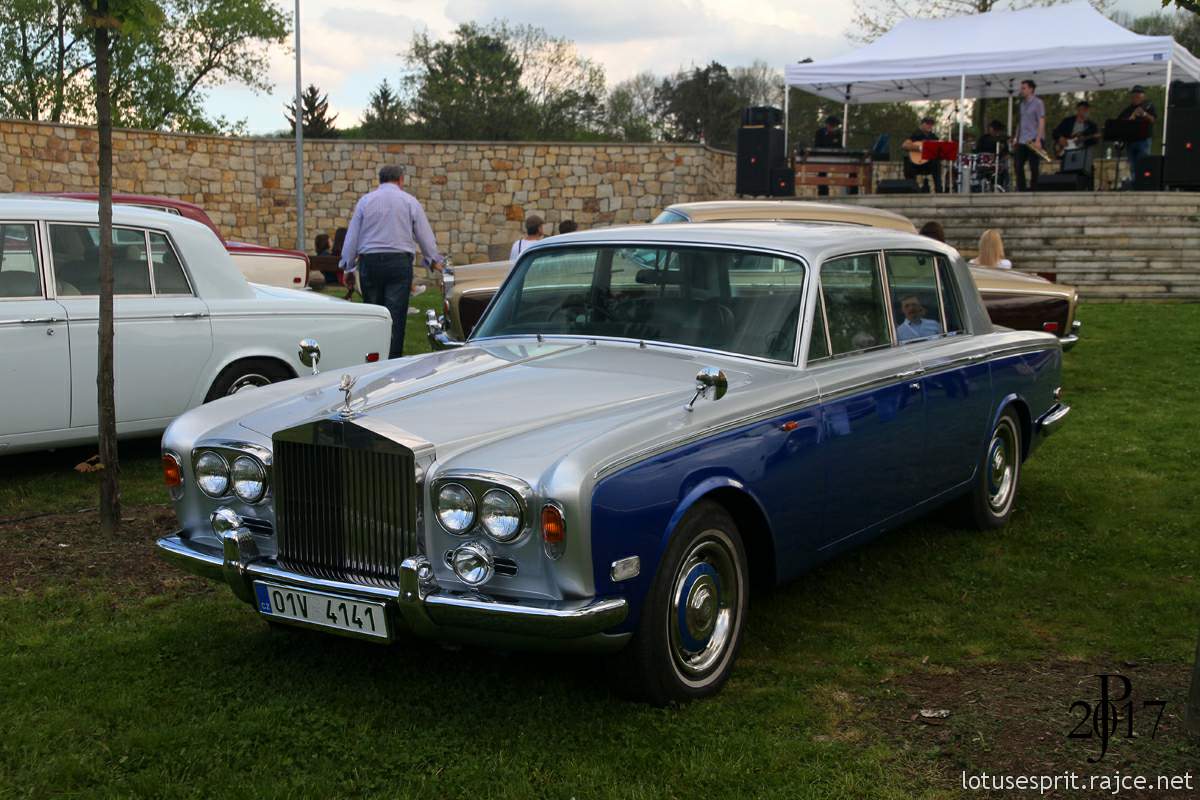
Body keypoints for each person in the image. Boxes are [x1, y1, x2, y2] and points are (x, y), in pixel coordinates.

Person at [339, 164, 444, 359]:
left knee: (374, 313)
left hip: (370, 262)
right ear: (401, 180)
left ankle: (373, 356)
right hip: (398, 262)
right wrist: (433, 259)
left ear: (380, 180)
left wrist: (348, 266)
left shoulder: (365, 201)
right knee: (395, 315)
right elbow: (424, 234)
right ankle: (392, 359)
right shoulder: (409, 201)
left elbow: (353, 235)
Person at [1012, 79, 1046, 192]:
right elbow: (1020, 122)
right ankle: (1022, 189)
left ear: (1031, 89)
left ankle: (1034, 189)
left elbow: (1041, 121)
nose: (1021, 90)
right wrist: (1016, 137)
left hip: (1033, 138)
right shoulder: (1021, 104)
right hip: (1022, 139)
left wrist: (1038, 139)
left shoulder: (1038, 103)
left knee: (1033, 166)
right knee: (1017, 165)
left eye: (1024, 88)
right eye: (1021, 88)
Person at [1118, 85, 1156, 178]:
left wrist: (1144, 113)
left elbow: (1153, 119)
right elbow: (1119, 122)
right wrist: (1132, 116)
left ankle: (1143, 183)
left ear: (1143, 96)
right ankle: (1135, 185)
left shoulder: (1149, 105)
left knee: (1143, 163)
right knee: (1132, 165)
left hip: (1144, 140)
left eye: (1139, 95)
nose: (1136, 97)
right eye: (1134, 95)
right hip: (1130, 141)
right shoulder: (1127, 110)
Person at [902, 117, 943, 193]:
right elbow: (905, 145)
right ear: (922, 124)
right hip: (916, 164)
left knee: (937, 163)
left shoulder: (933, 137)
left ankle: (939, 191)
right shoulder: (916, 134)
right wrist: (920, 148)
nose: (930, 126)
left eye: (931, 124)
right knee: (908, 163)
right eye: (927, 123)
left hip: (929, 164)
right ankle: (911, 190)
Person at [813, 115, 842, 196]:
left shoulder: (837, 134)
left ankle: (853, 191)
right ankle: (823, 193)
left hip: (834, 158)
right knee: (822, 173)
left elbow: (839, 147)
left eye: (835, 126)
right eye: (832, 126)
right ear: (827, 125)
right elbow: (817, 146)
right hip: (822, 158)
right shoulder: (819, 132)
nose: (833, 128)